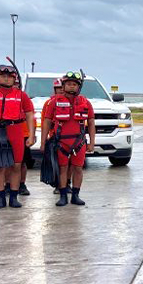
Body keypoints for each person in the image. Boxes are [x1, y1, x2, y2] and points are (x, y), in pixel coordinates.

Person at [0, 65, 35, 209]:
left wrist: (31, 135)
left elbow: (29, 114)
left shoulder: (21, 95)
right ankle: (1, 198)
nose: (6, 78)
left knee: (16, 165)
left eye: (10, 76)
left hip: (15, 131)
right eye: (3, 75)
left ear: (14, 79)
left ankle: (14, 197)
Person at [40, 71, 96, 207]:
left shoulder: (86, 102)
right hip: (61, 142)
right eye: (69, 84)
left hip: (79, 142)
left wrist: (92, 143)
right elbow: (47, 122)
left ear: (79, 87)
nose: (71, 87)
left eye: (74, 84)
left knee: (78, 168)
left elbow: (91, 122)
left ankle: (75, 195)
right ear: (63, 86)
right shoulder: (54, 102)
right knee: (63, 168)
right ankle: (63, 195)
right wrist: (43, 142)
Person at [43, 79, 72, 193]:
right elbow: (45, 120)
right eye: (58, 88)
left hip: (71, 138)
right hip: (56, 137)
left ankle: (67, 183)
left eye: (61, 88)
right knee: (58, 163)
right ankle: (58, 185)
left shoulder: (73, 101)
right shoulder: (50, 103)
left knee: (70, 164)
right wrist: (45, 139)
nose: (60, 90)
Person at [13, 74, 33, 196]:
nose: (15, 86)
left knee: (22, 163)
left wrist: (32, 135)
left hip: (23, 134)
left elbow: (31, 117)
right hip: (7, 135)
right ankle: (7, 185)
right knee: (6, 163)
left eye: (17, 84)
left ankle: (22, 184)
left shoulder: (24, 99)